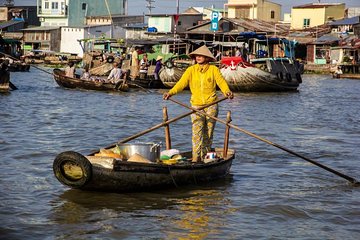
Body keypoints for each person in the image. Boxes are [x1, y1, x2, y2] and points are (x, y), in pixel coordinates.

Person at [163, 45, 234, 162]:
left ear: (207, 58)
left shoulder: (213, 70)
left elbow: (221, 83)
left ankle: (204, 156)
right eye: (197, 56)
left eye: (201, 56)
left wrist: (227, 92)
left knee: (208, 133)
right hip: (196, 105)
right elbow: (181, 83)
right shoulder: (191, 70)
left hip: (211, 104)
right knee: (196, 132)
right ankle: (196, 158)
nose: (198, 57)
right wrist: (170, 93)